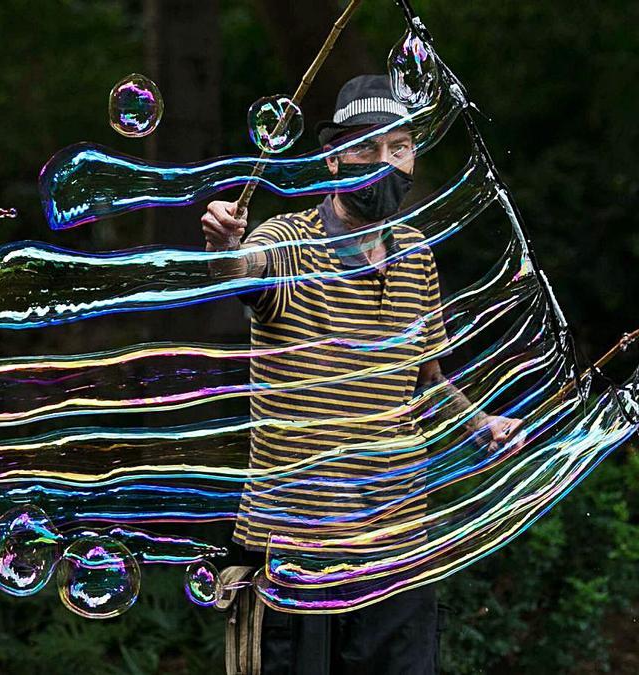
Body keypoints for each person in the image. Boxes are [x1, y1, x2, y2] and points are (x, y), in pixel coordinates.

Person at [201, 75, 524, 674]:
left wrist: (478, 422)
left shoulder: (416, 251)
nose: (384, 162)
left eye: (398, 147)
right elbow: (246, 272)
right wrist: (228, 246)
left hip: (400, 544)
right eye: (366, 147)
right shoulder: (288, 243)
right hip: (296, 543)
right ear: (333, 159)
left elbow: (424, 375)